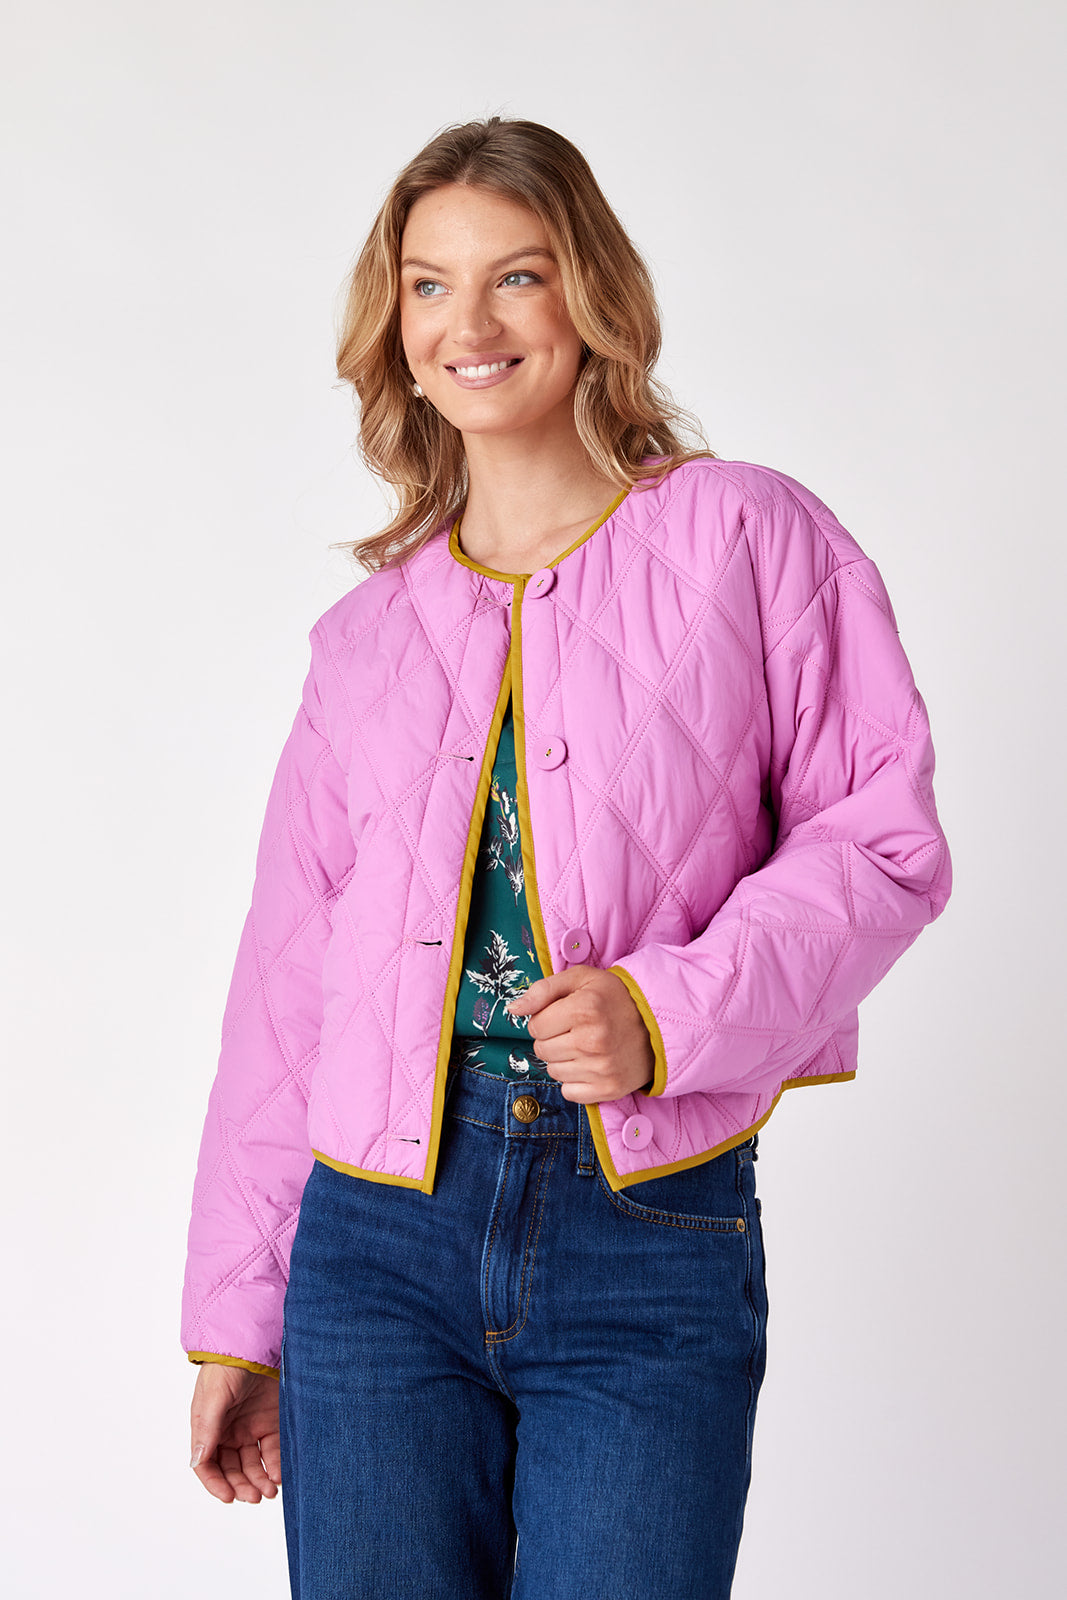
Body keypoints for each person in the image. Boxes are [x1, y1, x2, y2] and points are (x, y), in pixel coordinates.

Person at [182, 116, 951, 1599]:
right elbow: (286, 990)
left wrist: (667, 1010)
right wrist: (240, 1318)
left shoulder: (747, 535)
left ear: (591, 294)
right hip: (370, 1248)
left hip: (645, 1230)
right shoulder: (366, 640)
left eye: (517, 275)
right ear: (395, 329)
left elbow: (882, 835)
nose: (469, 323)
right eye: (429, 285)